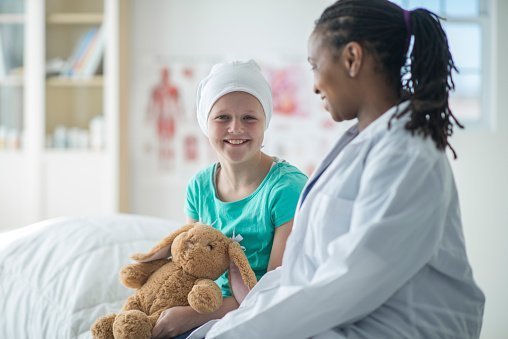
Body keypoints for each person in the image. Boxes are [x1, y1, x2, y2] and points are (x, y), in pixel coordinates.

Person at [200, 1, 486, 338]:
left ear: (352, 58)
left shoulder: (409, 156)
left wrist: (233, 331)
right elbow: (302, 269)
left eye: (315, 65)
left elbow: (350, 278)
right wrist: (235, 320)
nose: (314, 85)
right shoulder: (361, 144)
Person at [151, 60, 308, 338]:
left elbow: (275, 291)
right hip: (201, 304)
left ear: (265, 123)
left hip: (255, 315)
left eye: (249, 118)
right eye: (222, 117)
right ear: (205, 123)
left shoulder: (287, 188)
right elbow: (189, 268)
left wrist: (192, 315)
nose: (235, 128)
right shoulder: (199, 187)